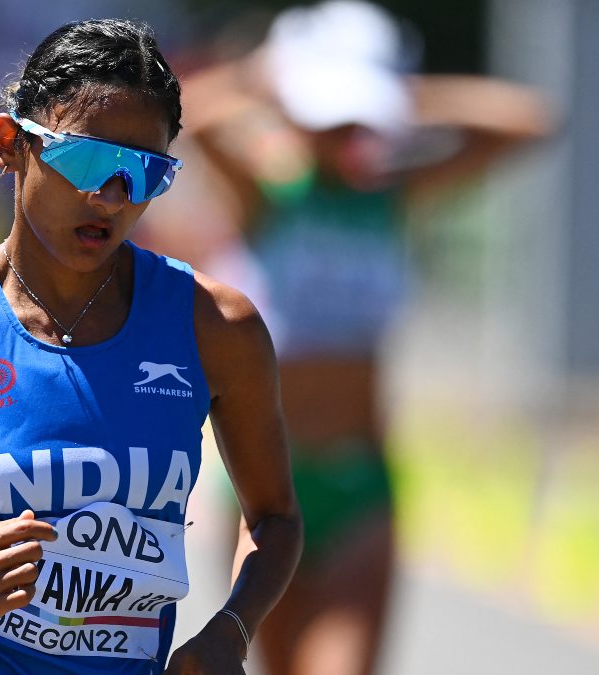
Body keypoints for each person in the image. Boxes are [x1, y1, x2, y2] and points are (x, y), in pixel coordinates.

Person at [0, 18, 302, 675]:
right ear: (9, 143)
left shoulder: (216, 326)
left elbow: (274, 518)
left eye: (143, 172)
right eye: (87, 159)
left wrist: (233, 629)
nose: (110, 196)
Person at [181, 2, 551, 674]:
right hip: (263, 484)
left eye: (357, 118)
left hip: (359, 486)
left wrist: (402, 94)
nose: (345, 132)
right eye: (331, 115)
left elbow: (529, 121)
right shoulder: (266, 193)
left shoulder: (391, 195)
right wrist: (266, 77)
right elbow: (190, 116)